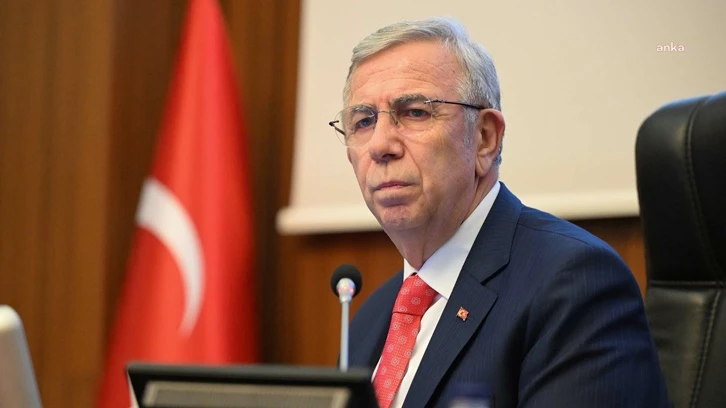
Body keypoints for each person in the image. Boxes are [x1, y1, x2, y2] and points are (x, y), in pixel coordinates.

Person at [332, 17, 671, 408]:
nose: (380, 145)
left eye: (414, 112)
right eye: (363, 121)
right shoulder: (371, 319)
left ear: (485, 138)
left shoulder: (573, 287)